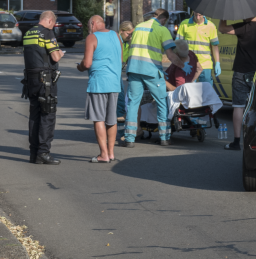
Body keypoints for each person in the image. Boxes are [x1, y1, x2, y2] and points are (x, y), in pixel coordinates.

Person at [123, 9, 185, 147]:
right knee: (162, 102)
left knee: (133, 103)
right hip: (151, 71)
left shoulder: (138, 27)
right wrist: (182, 66)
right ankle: (164, 137)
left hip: (134, 69)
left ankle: (129, 138)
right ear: (164, 19)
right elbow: (170, 55)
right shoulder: (162, 30)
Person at [219, 16, 256, 150]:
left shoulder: (243, 27)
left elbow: (222, 29)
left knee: (238, 106)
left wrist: (223, 16)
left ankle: (237, 142)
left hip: (241, 72)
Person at [21, 11, 65, 164]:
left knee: (34, 116)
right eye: (53, 24)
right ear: (50, 20)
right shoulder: (47, 33)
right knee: (47, 115)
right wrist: (61, 53)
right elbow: (55, 56)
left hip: (31, 80)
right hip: (45, 80)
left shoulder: (28, 33)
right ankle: (43, 152)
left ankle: (34, 153)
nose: (53, 26)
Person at [77, 16, 122, 163]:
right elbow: (120, 59)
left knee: (99, 119)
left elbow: (88, 63)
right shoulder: (116, 35)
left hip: (99, 83)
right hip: (115, 82)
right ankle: (111, 153)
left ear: (93, 23)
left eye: (89, 25)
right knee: (112, 119)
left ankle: (103, 155)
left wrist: (80, 66)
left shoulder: (92, 37)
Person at [176, 11, 220, 83]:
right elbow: (178, 44)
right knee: (190, 92)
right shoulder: (184, 24)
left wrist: (217, 63)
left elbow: (214, 46)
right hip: (189, 64)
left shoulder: (211, 26)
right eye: (196, 15)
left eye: (200, 15)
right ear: (193, 12)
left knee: (206, 93)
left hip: (205, 65)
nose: (197, 17)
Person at [115, 21, 134, 124]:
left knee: (120, 101)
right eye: (128, 33)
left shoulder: (128, 43)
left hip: (118, 73)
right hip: (113, 73)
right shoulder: (117, 41)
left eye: (131, 34)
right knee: (120, 100)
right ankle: (121, 130)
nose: (129, 36)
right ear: (121, 31)